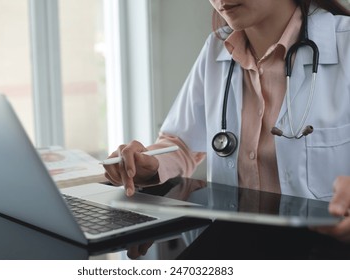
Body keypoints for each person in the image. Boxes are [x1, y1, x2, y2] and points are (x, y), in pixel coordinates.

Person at [103, 0, 350, 247]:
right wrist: (149, 163)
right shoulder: (216, 48)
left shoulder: (345, 43)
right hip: (231, 240)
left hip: (321, 248)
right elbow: (181, 144)